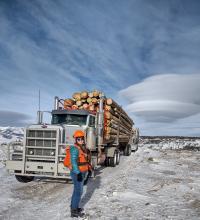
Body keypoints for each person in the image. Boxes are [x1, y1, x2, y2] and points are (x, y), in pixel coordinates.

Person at [69, 130, 92, 218]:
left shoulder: (82, 147)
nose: (81, 140)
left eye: (82, 139)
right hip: (77, 172)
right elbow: (74, 162)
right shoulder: (74, 149)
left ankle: (73, 207)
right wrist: (78, 173)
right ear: (76, 140)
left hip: (82, 171)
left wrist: (89, 169)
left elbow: (85, 160)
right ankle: (74, 211)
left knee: (76, 190)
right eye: (78, 139)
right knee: (79, 191)